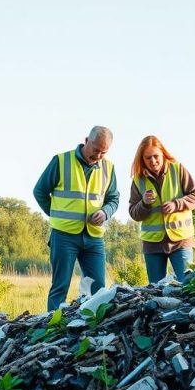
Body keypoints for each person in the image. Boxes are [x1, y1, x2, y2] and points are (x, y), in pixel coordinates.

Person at [34, 126, 120, 311]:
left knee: (98, 288)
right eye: (96, 149)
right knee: (60, 287)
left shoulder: (108, 167)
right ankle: (54, 327)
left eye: (103, 152)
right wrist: (55, 213)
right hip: (64, 236)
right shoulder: (61, 161)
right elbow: (39, 191)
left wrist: (105, 212)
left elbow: (113, 198)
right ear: (86, 141)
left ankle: (94, 326)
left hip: (94, 237)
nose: (98, 155)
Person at [128, 136, 195, 283]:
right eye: (148, 158)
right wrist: (144, 203)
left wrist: (177, 204)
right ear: (142, 159)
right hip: (152, 244)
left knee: (188, 285)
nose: (153, 161)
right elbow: (133, 213)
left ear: (163, 153)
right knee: (156, 290)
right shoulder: (138, 180)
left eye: (156, 156)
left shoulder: (178, 169)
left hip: (181, 241)